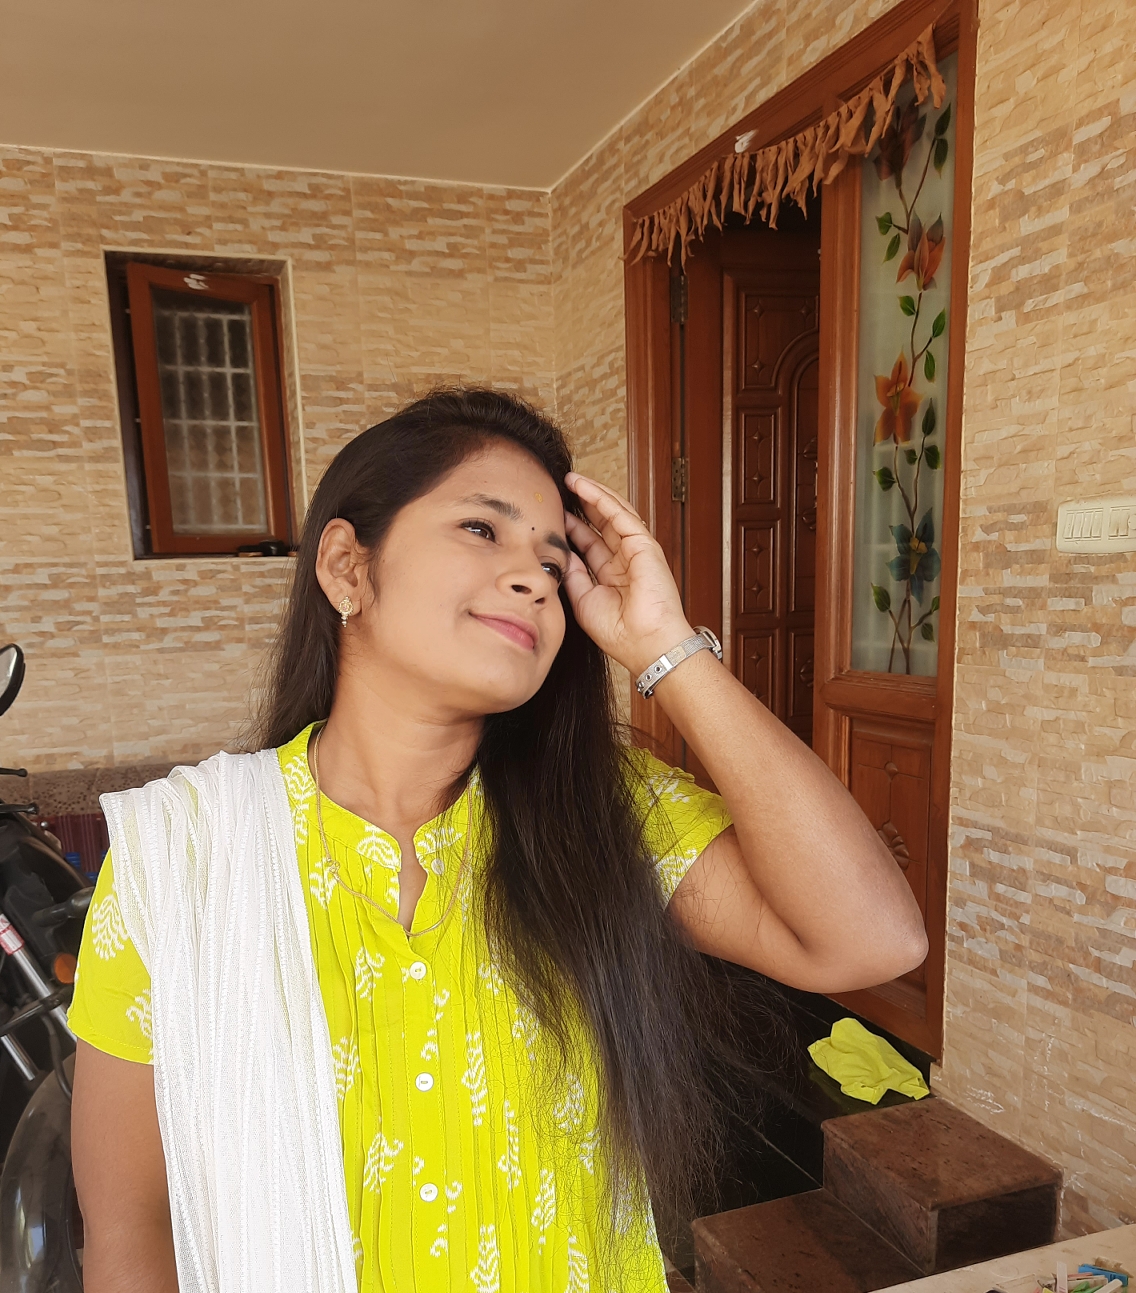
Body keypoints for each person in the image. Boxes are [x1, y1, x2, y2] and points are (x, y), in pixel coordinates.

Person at [68, 387, 927, 1293]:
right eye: (482, 528)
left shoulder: (604, 818)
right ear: (347, 566)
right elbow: (130, 1224)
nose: (534, 578)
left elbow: (872, 938)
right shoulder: (183, 857)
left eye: (555, 564)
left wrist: (664, 645)